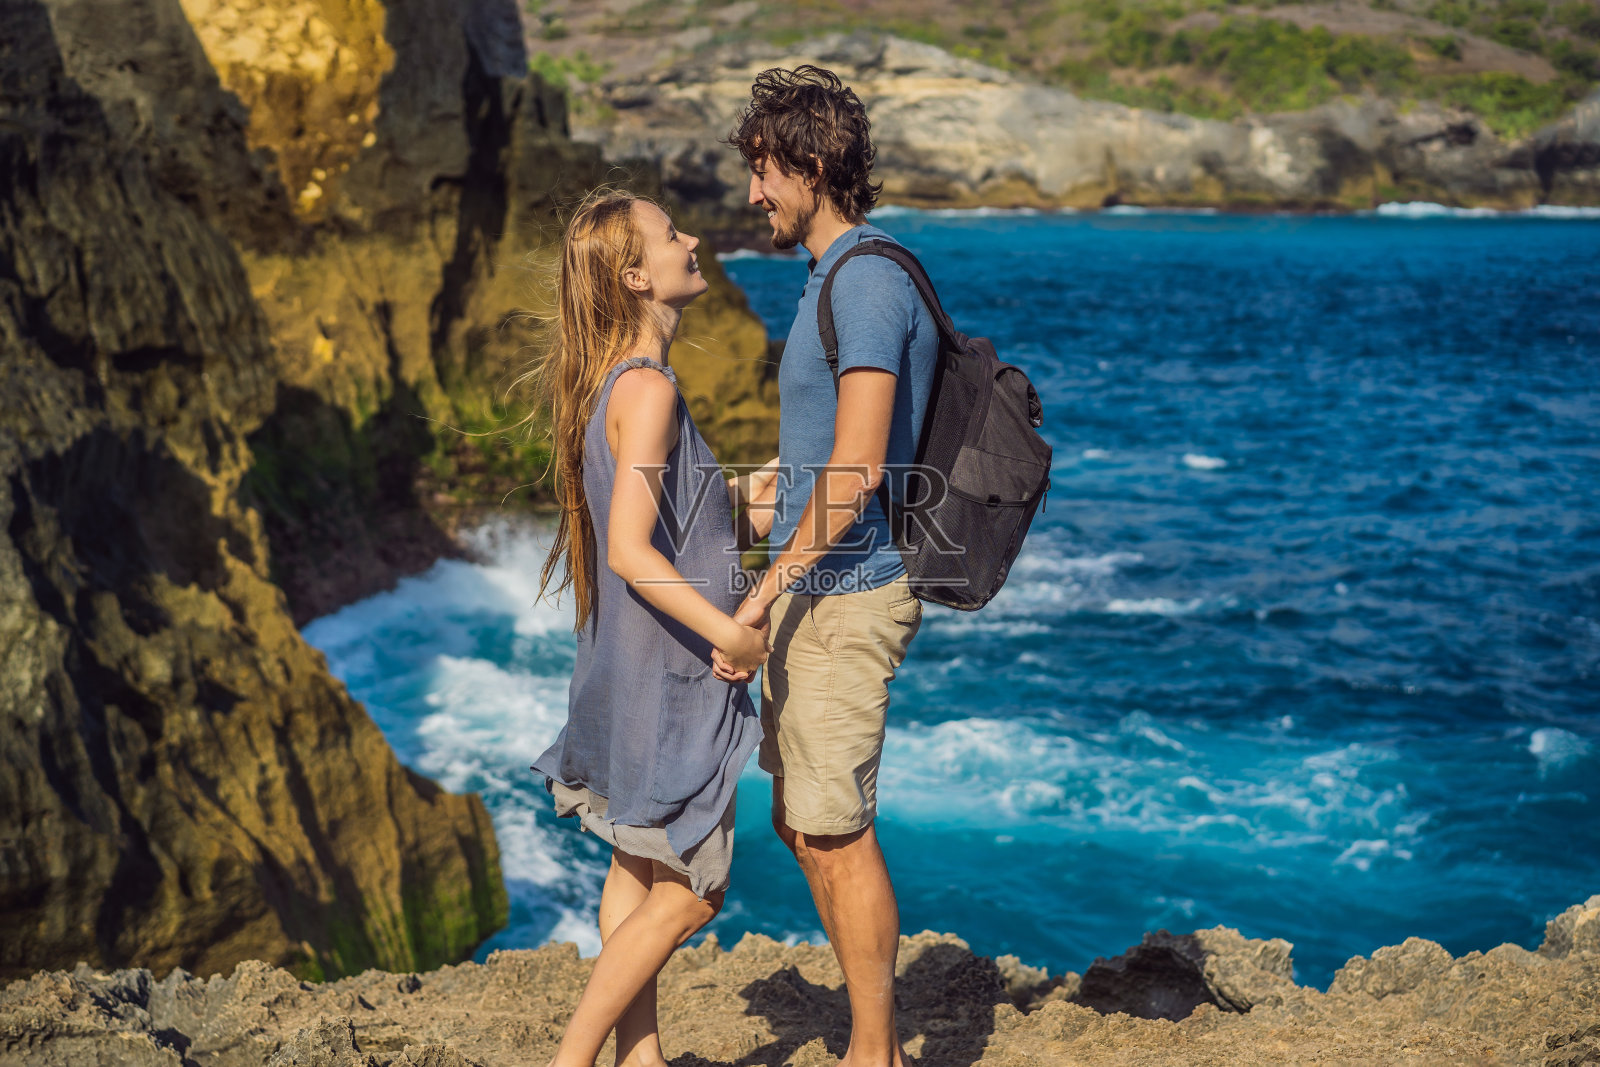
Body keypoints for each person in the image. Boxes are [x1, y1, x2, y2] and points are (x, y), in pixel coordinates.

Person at [714, 66, 939, 1067]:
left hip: (846, 594)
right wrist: (754, 494)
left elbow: (855, 473)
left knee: (834, 829)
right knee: (803, 821)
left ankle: (874, 1051)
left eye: (762, 172)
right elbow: (821, 463)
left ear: (808, 164)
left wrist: (761, 592)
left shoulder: (868, 279)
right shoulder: (829, 278)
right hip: (818, 585)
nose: (752, 195)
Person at [528, 189, 778, 1067]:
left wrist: (739, 510)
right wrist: (736, 633)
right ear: (637, 275)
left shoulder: (616, 389)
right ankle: (573, 1060)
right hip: (670, 679)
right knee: (691, 893)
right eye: (674, 235)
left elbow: (663, 528)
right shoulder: (649, 390)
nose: (695, 239)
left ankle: (641, 1059)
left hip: (623, 669)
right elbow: (633, 551)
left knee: (634, 873)